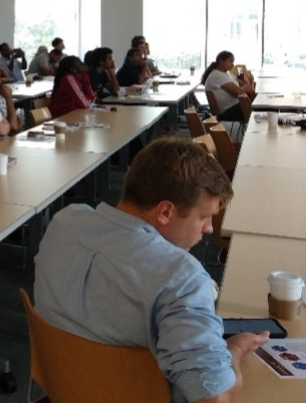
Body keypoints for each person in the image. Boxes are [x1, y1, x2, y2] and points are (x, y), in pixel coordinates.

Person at [34, 137, 268, 403]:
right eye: (203, 217)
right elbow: (213, 398)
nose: (209, 229)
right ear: (165, 211)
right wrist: (234, 349)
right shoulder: (183, 279)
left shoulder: (65, 222)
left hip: (62, 389)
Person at [201, 51, 255, 122]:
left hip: (235, 106)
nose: (233, 65)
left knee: (260, 101)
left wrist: (244, 84)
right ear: (221, 61)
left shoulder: (227, 74)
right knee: (261, 106)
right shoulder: (217, 75)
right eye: (230, 61)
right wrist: (244, 87)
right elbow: (240, 92)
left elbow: (243, 83)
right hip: (228, 111)